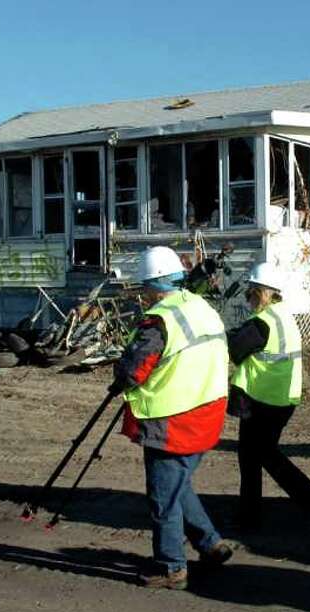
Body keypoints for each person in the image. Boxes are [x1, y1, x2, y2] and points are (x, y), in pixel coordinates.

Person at [111, 246, 233, 589]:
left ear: (151, 285)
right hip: (208, 409)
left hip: (173, 419)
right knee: (177, 483)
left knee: (163, 496)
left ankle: (170, 566)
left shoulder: (159, 320)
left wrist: (120, 375)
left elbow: (136, 370)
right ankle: (210, 543)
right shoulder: (200, 306)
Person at [226, 262, 310, 532]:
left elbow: (235, 348)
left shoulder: (262, 322)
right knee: (265, 453)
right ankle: (307, 495)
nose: (247, 297)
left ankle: (249, 516)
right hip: (283, 398)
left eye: (251, 291)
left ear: (262, 292)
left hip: (262, 399)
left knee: (250, 456)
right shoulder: (284, 316)